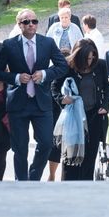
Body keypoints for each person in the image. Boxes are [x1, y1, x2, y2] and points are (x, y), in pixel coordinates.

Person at [0, 9, 68, 181]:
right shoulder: (9, 44)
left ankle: (33, 179)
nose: (31, 24)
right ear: (19, 25)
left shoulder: (47, 43)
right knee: (20, 148)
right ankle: (21, 184)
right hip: (18, 103)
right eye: (26, 22)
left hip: (42, 102)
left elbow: (62, 66)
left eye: (34, 21)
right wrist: (16, 77)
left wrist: (45, 74)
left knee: (47, 143)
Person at [52, 39, 109, 181]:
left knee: (89, 160)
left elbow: (106, 87)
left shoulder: (100, 65)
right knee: (71, 159)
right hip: (74, 120)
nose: (90, 62)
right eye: (87, 59)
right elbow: (54, 87)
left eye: (92, 58)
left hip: (94, 117)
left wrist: (105, 105)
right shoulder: (67, 66)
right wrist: (61, 98)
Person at [47, 47, 71, 182]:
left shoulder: (73, 71)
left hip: (69, 111)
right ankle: (52, 175)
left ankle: (64, 175)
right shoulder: (52, 71)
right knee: (56, 146)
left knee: (67, 146)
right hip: (54, 112)